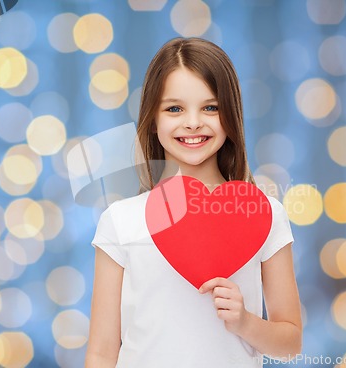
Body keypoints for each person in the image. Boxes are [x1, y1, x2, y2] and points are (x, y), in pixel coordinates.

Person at [85, 37, 302, 368]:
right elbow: (101, 352)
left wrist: (245, 321)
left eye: (210, 108)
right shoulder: (121, 220)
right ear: (153, 119)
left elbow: (291, 344)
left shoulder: (264, 214)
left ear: (230, 115)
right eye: (174, 108)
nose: (192, 122)